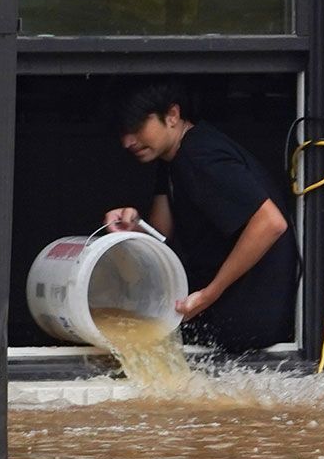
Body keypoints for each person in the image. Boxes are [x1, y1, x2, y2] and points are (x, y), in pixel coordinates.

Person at [106, 81, 299, 356]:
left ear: (172, 115)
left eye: (137, 128)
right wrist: (133, 224)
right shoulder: (172, 158)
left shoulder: (200, 155)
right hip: (225, 308)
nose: (128, 141)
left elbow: (270, 223)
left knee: (133, 337)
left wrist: (209, 295)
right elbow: (161, 233)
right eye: (123, 133)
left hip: (246, 318)